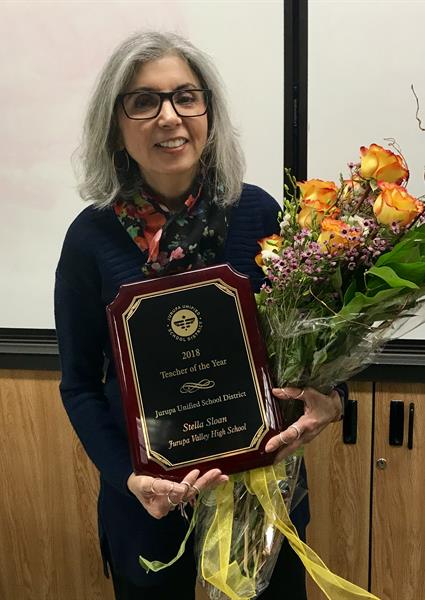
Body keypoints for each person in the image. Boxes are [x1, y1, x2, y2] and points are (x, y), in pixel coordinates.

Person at [54, 31, 345, 600]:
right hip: (151, 504)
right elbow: (81, 386)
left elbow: (315, 337)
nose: (170, 117)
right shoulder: (91, 239)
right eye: (144, 101)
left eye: (187, 96)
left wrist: (332, 399)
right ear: (115, 124)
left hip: (261, 497)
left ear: (209, 111)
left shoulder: (258, 212)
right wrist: (128, 476)